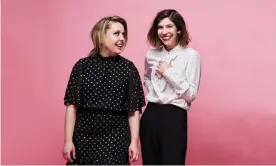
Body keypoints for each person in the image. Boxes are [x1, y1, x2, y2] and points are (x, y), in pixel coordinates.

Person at [62, 16, 146, 165]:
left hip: (116, 136)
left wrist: (134, 142)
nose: (122, 38)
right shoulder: (81, 66)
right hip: (84, 135)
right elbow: (71, 107)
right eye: (117, 33)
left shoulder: (128, 68)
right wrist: (68, 141)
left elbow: (134, 111)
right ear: (101, 36)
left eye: (124, 34)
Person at [140, 9, 201, 165]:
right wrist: (153, 90)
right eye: (160, 27)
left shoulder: (191, 56)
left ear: (179, 29)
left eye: (169, 27)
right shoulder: (151, 54)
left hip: (174, 115)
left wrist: (169, 73)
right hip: (151, 115)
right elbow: (146, 77)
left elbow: (191, 95)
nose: (164, 31)